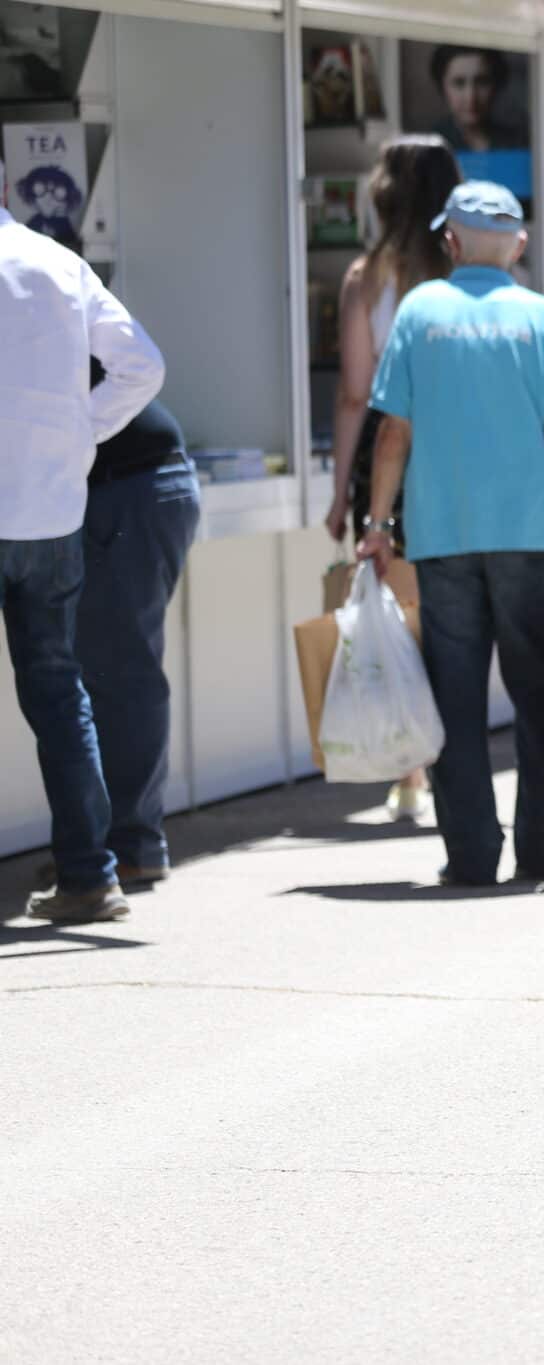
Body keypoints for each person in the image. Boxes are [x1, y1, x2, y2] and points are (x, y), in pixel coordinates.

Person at [356, 181, 544, 886]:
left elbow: (392, 433)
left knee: (455, 698)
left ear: (451, 241)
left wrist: (377, 525)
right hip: (530, 536)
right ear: (520, 246)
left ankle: (469, 852)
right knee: (537, 690)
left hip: (443, 536)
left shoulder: (419, 312)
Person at [1, 184, 165, 923]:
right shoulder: (57, 263)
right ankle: (89, 875)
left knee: (61, 693)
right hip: (49, 511)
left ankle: (91, 874)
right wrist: (80, 432)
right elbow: (143, 367)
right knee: (60, 692)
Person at [324, 133, 463, 820]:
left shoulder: (367, 278)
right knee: (452, 617)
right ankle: (446, 762)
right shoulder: (463, 276)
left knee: (396, 618)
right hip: (456, 457)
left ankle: (411, 770)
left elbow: (356, 394)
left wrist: (338, 485)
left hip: (388, 466)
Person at [73, 388, 199, 886]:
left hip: (128, 485)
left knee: (121, 674)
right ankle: (118, 844)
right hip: (144, 479)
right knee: (117, 669)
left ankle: (131, 847)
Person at [429, 46, 527, 153]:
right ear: (442, 87)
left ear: (496, 85)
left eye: (482, 82)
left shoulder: (518, 142)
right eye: (459, 83)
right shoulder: (431, 144)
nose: (471, 97)